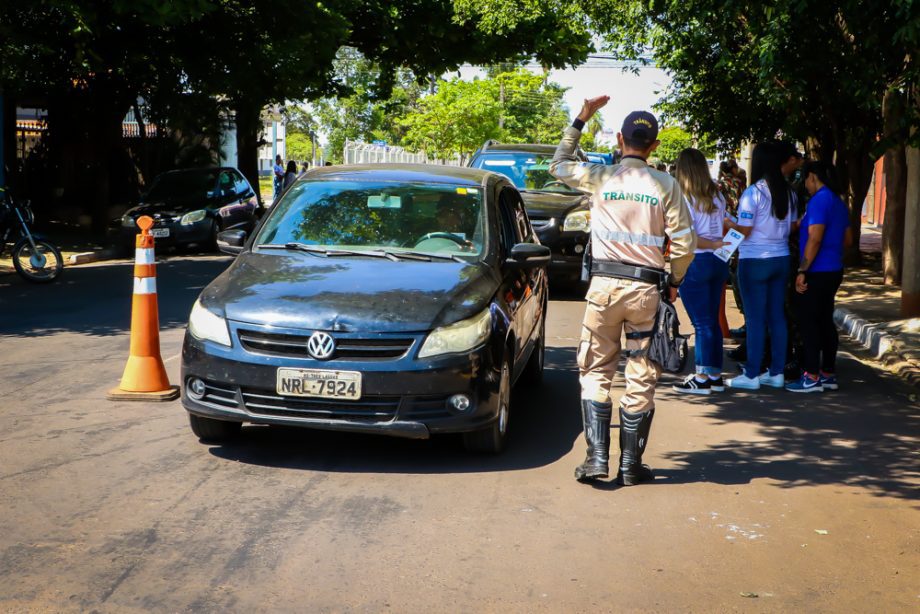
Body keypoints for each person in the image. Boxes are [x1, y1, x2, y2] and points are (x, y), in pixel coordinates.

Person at [550, 96, 696, 485]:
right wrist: (674, 282)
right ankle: (631, 464)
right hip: (646, 290)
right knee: (641, 371)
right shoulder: (665, 184)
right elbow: (685, 244)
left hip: (603, 288)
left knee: (596, 368)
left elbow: (558, 164)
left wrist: (582, 118)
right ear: (655, 145)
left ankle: (597, 458)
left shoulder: (601, 176)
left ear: (620, 139)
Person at [726, 142, 798, 390]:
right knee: (777, 316)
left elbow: (745, 230)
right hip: (781, 257)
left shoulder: (753, 193)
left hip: (755, 260)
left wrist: (729, 224)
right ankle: (776, 372)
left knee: (755, 318)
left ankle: (751, 374)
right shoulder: (789, 193)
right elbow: (792, 227)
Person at [786, 161, 852, 393]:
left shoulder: (819, 201)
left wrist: (802, 270)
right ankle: (827, 373)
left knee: (809, 322)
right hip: (834, 269)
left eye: (805, 179)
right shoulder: (838, 202)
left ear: (812, 176)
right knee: (825, 321)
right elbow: (848, 240)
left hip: (816, 271)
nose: (805, 185)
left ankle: (811, 375)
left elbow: (815, 238)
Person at [672, 148, 730, 395]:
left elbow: (689, 238)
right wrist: (718, 244)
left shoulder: (684, 198)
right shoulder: (717, 195)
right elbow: (725, 223)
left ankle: (702, 377)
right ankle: (714, 375)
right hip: (718, 261)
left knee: (701, 322)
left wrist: (712, 244)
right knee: (711, 321)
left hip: (696, 260)